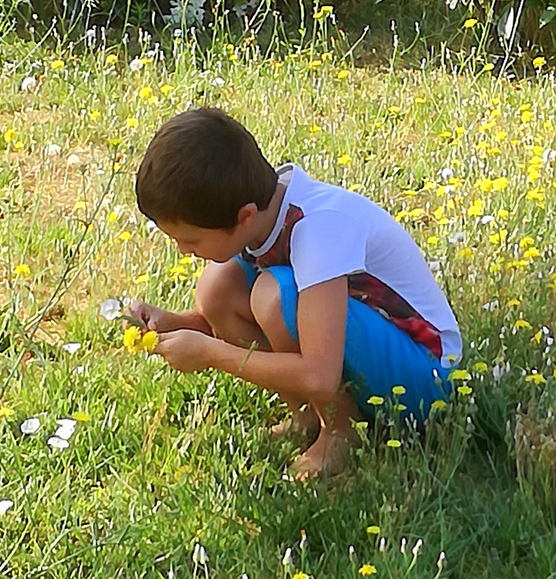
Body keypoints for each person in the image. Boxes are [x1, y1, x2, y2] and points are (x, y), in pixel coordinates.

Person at [127, 107, 461, 478]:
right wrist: (176, 325)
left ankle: (339, 430)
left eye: (190, 239)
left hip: (428, 376)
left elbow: (320, 374)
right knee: (218, 287)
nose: (182, 250)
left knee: (274, 296)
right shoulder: (266, 210)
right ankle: (306, 416)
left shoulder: (316, 230)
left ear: (244, 217)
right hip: (376, 348)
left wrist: (212, 354)